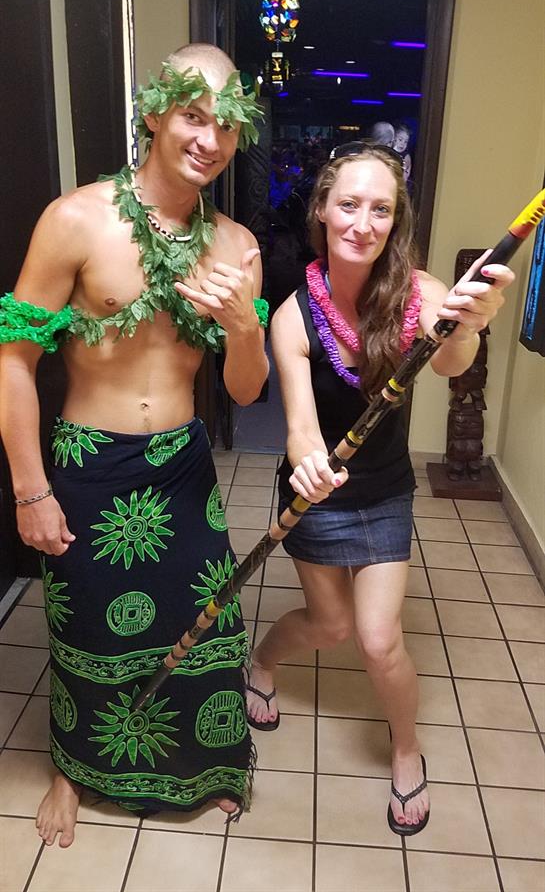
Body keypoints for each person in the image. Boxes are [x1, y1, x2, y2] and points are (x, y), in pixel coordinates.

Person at [0, 43, 269, 847]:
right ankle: (71, 770)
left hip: (183, 465)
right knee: (85, 631)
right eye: (192, 115)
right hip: (87, 463)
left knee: (206, 623)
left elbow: (245, 390)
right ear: (154, 113)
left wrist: (243, 328)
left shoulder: (236, 246)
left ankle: (205, 765)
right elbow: (13, 362)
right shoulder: (76, 220)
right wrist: (30, 489)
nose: (209, 139)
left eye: (226, 124)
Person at [244, 142, 514, 836]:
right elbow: (300, 429)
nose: (363, 223)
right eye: (348, 204)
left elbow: (450, 361)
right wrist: (307, 463)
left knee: (375, 639)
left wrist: (470, 327)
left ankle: (405, 747)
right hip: (315, 494)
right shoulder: (292, 314)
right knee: (329, 625)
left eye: (381, 209)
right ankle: (263, 660)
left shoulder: (421, 293)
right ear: (321, 211)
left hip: (386, 488)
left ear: (396, 220)